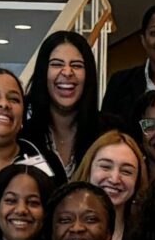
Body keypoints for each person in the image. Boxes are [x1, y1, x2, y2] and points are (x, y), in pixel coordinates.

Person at [23, 30, 104, 176]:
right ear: (43, 72)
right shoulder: (22, 135)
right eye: (56, 64)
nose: (67, 72)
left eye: (77, 65)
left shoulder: (107, 133)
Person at [73, 128, 150, 240]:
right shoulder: (64, 228)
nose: (114, 179)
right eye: (105, 167)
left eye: (126, 171)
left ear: (137, 181)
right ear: (88, 169)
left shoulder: (147, 238)